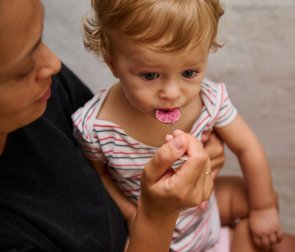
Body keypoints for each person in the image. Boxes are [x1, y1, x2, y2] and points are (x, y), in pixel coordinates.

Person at [72, 0, 295, 251]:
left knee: (292, 242)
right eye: (150, 75)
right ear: (113, 63)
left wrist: (264, 208)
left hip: (207, 211)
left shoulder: (209, 100)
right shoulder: (95, 128)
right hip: (156, 234)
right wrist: (132, 213)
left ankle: (238, 235)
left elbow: (248, 147)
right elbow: (98, 176)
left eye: (189, 73)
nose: (173, 93)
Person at [0, 0, 224, 251]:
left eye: (42, 39)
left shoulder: (45, 91)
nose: (54, 63)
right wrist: (153, 216)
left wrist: (210, 155)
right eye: (22, 67)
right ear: (112, 63)